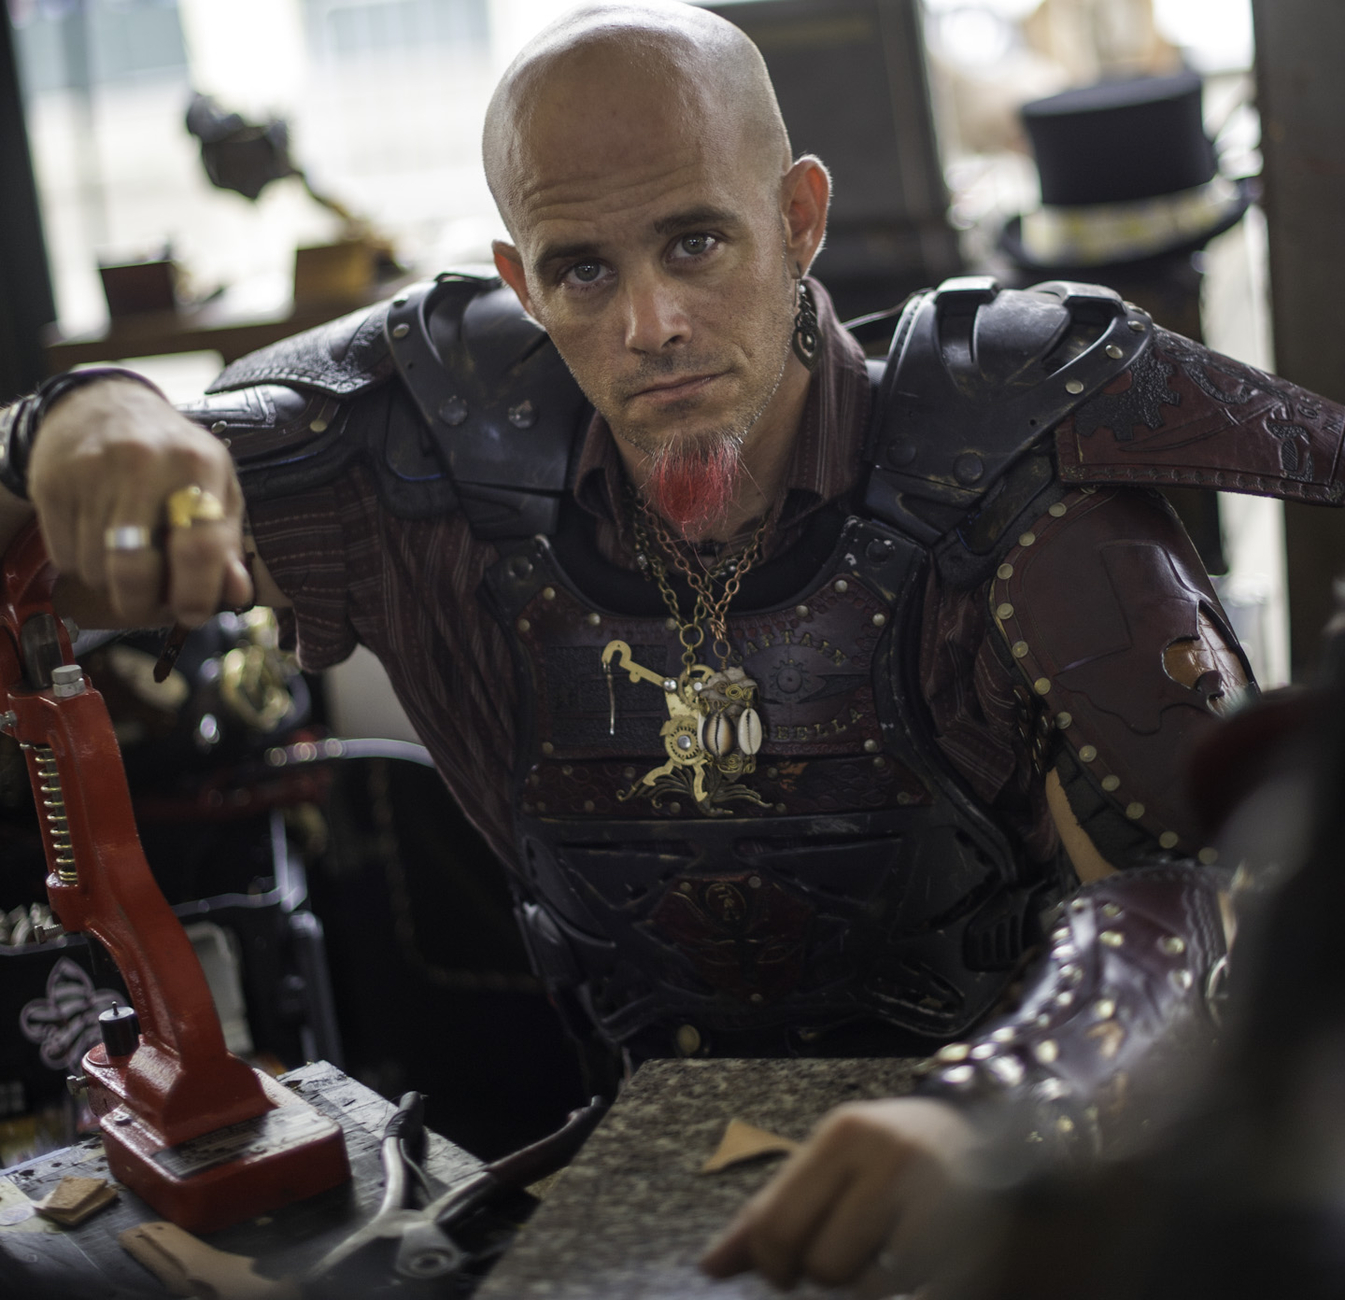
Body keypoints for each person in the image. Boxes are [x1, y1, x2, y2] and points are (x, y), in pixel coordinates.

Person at [1, 1, 1342, 1289]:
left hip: (1021, 1194)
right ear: (520, 281)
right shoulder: (430, 472)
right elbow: (96, 497)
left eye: (695, 242)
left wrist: (996, 1107)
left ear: (798, 217)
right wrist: (77, 419)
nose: (650, 327)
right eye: (583, 271)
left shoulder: (1010, 476)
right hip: (648, 1171)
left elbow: (1197, 903)